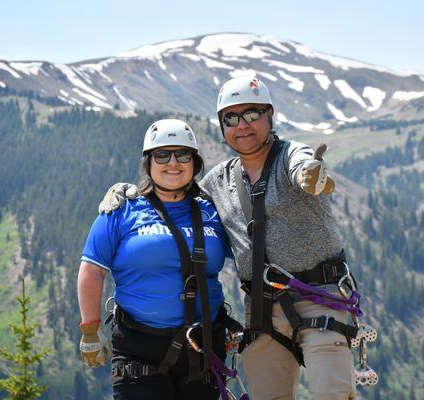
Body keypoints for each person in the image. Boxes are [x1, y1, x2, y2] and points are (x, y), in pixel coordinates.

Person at [100, 77, 360, 400]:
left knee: (330, 394)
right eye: (231, 118)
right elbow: (176, 194)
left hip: (319, 297)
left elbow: (301, 165)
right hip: (262, 310)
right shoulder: (219, 181)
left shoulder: (290, 155)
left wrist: (311, 175)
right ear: (222, 126)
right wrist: (129, 193)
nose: (243, 125)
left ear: (270, 115)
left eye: (251, 114)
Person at [77, 119, 235, 400]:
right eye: (162, 155)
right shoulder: (122, 210)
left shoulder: (213, 211)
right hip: (139, 349)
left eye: (182, 155)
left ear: (194, 163)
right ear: (148, 163)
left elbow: (250, 252)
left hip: (203, 348)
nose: (173, 162)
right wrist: (90, 331)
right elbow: (92, 270)